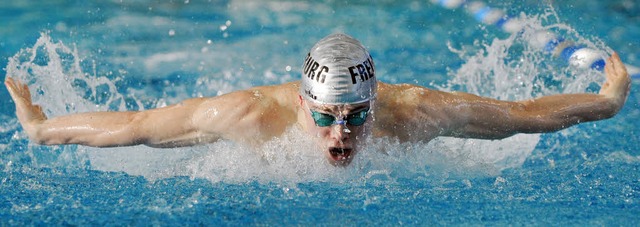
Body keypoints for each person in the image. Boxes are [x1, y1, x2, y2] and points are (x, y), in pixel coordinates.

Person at [5, 33, 631, 166]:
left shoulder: (414, 113)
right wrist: (41, 127)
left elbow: (523, 118)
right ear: (302, 104)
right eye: (328, 116)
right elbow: (138, 125)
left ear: (375, 103)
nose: (342, 134)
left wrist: (605, 102)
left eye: (357, 114)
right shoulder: (249, 116)